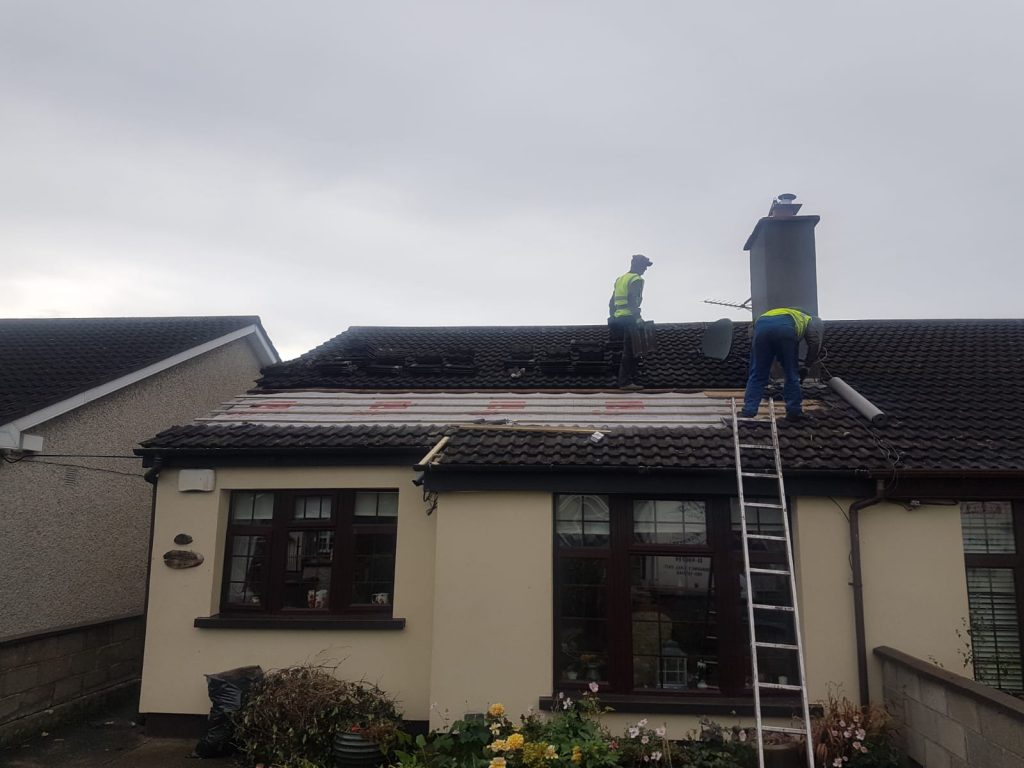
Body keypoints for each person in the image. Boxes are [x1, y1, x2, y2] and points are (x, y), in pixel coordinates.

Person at [741, 307, 824, 420]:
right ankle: (794, 411)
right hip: (786, 333)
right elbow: (814, 342)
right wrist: (807, 366)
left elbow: (752, 334)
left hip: (761, 332)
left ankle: (749, 410)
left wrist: (760, 357)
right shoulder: (807, 318)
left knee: (757, 374)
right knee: (791, 374)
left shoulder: (767, 314)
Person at [608, 254, 653, 388]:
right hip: (629, 318)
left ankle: (629, 379)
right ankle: (626, 382)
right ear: (637, 265)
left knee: (627, 349)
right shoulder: (636, 279)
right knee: (633, 349)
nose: (645, 269)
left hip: (619, 318)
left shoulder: (620, 279)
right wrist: (638, 317)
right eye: (644, 266)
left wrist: (612, 316)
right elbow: (633, 300)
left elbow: (611, 302)